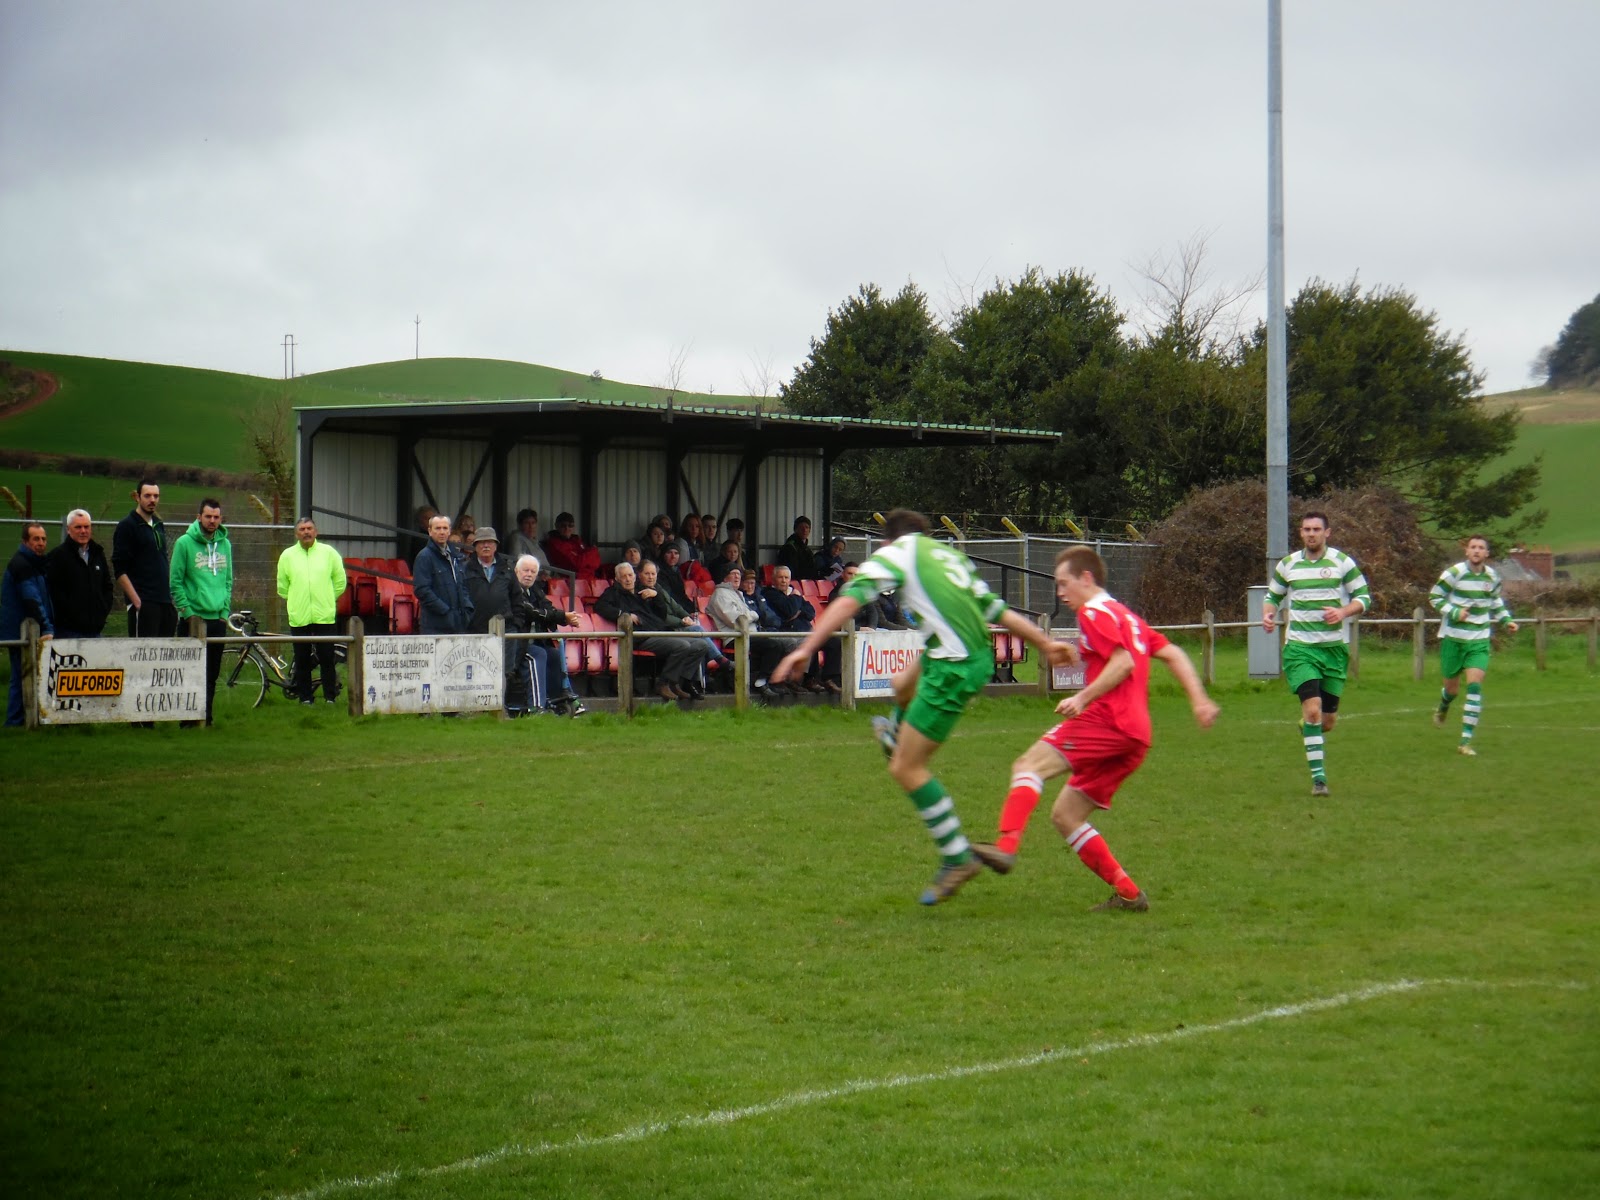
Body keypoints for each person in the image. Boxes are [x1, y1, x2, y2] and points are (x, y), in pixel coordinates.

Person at [772, 508, 1073, 906]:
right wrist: (1046, 644)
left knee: (905, 768)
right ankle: (897, 730)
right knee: (901, 684)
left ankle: (956, 856)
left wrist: (807, 648)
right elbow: (996, 611)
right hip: (956, 654)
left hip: (953, 667)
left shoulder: (897, 553)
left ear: (887, 542)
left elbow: (848, 602)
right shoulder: (950, 557)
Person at [969, 546, 1219, 912]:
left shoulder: (1093, 612)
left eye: (1063, 583)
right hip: (1136, 737)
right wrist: (1199, 700)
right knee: (1066, 815)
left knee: (1028, 766)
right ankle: (1129, 894)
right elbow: (1174, 653)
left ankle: (1006, 847)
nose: (1060, 592)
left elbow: (1122, 664)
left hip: (1108, 721)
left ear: (1087, 578)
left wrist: (1083, 697)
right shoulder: (1124, 616)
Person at [1262, 511, 1371, 797]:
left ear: (1327, 533)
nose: (1311, 534)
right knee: (1312, 709)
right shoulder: (1288, 565)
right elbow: (1272, 595)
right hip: (1300, 648)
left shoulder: (1342, 562)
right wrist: (1268, 615)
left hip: (1334, 650)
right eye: (1306, 529)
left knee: (1327, 722)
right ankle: (1319, 780)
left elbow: (1364, 597)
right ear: (1300, 533)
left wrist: (1343, 611)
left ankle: (1308, 728)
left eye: (1316, 529)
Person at [1429, 534, 1518, 756]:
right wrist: (1455, 611)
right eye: (1473, 547)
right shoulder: (1454, 573)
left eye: (1481, 548)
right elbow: (1434, 597)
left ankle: (1465, 742)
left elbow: (1496, 600)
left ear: (1486, 554)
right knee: (1451, 689)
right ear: (1467, 552)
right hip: (1453, 638)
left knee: (1475, 686)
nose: (1477, 551)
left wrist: (1507, 620)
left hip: (1478, 639)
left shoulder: (1492, 577)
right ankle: (1443, 705)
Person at [593, 561, 703, 702]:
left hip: (659, 631)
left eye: (630, 575)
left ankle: (678, 682)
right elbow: (600, 607)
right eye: (624, 576)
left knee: (701, 645)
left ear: (635, 576)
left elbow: (662, 614)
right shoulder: (613, 593)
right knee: (683, 646)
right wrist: (624, 614)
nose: (628, 579)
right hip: (641, 637)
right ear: (617, 579)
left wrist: (656, 596)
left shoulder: (643, 590)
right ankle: (663, 683)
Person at [168, 498, 234, 725]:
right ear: (199, 517)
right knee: (190, 672)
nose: (213, 521)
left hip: (217, 618)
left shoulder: (225, 545)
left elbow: (228, 581)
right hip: (193, 619)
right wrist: (187, 612)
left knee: (212, 674)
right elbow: (175, 582)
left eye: (216, 517)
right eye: (208, 516)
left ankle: (206, 717)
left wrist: (224, 613)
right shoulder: (184, 543)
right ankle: (187, 720)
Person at [276, 517, 348, 705]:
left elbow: (340, 581)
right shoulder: (287, 556)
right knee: (302, 660)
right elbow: (282, 586)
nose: (306, 532)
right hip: (299, 616)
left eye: (309, 528)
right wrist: (295, 600)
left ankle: (330, 697)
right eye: (302, 529)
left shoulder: (329, 553)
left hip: (324, 615)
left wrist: (327, 598)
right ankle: (305, 697)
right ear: (296, 533)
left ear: (316, 531)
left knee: (326, 658)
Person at [505, 554, 587, 716]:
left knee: (555, 655)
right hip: (517, 644)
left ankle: (565, 698)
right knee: (538, 655)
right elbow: (529, 611)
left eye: (533, 571)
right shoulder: (510, 590)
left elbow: (548, 608)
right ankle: (536, 706)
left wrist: (562, 617)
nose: (529, 574)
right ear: (516, 571)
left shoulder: (535, 590)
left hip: (537, 641)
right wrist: (562, 617)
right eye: (525, 570)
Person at [637, 558, 728, 692]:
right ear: (639, 574)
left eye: (653, 574)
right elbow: (661, 618)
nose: (651, 577)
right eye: (647, 574)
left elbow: (675, 605)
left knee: (701, 644)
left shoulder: (658, 588)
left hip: (671, 627)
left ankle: (686, 681)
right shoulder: (641, 592)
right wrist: (681, 622)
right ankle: (718, 660)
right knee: (696, 632)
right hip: (663, 630)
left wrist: (687, 616)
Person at [2, 522, 55, 727]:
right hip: (20, 632)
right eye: (36, 539)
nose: (41, 543)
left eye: (43, 539)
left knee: (28, 674)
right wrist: (47, 627)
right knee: (21, 673)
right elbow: (32, 600)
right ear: (25, 541)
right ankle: (15, 721)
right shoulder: (22, 565)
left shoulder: (34, 563)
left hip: (26, 629)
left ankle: (22, 718)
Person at [112, 479, 176, 638]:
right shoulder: (127, 526)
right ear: (137, 497)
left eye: (156, 496)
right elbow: (119, 569)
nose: (152, 500)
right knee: (143, 659)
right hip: (144, 603)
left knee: (164, 659)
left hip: (164, 602)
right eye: (147, 496)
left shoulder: (159, 525)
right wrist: (137, 602)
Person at [45, 509, 114, 638]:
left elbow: (107, 586)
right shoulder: (58, 557)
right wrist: (70, 616)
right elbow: (55, 593)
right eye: (78, 527)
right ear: (68, 529)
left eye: (86, 526)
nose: (83, 531)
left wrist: (102, 610)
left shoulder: (98, 554)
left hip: (95, 630)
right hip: (68, 632)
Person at [413, 513, 474, 635]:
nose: (442, 532)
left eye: (445, 528)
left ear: (449, 531)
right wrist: (446, 612)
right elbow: (422, 590)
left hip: (458, 624)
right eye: (438, 528)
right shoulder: (424, 557)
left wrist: (467, 608)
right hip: (434, 626)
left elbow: (463, 585)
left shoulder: (456, 557)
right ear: (430, 531)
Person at [463, 527, 513, 635]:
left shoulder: (508, 570)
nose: (486, 546)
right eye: (481, 542)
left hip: (504, 632)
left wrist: (515, 625)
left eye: (490, 542)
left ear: (495, 546)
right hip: (474, 632)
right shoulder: (464, 570)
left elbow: (517, 599)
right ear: (475, 546)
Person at [541, 511, 602, 580]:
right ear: (557, 526)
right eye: (563, 525)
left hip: (589, 579)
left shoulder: (576, 540)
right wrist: (592, 552)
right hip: (571, 581)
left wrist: (586, 556)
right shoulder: (555, 543)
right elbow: (576, 564)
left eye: (570, 525)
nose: (567, 528)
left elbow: (597, 563)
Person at [776, 515, 819, 580]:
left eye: (807, 527)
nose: (804, 530)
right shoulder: (789, 548)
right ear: (795, 529)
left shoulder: (807, 549)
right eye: (801, 527)